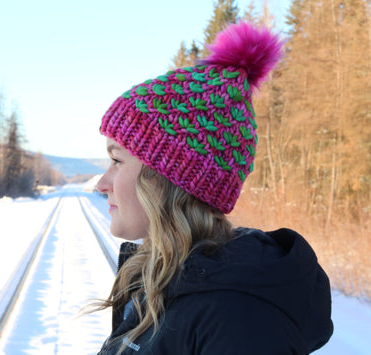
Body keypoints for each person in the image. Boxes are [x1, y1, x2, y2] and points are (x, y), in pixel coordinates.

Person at [93, 22, 333, 354]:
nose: (101, 184)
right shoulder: (162, 282)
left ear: (169, 177)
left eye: (117, 161)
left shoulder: (238, 319)